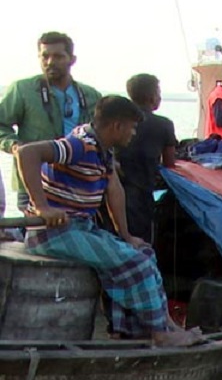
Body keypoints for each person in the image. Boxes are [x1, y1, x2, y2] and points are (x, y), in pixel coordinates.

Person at [17, 96, 199, 347]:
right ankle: (161, 333)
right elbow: (27, 152)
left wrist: (125, 235)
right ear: (117, 126)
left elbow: (115, 191)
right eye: (132, 127)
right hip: (54, 233)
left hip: (80, 228)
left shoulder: (102, 149)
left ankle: (137, 329)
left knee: (143, 252)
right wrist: (42, 207)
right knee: (136, 264)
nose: (133, 133)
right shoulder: (80, 145)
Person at [0, 31, 103, 213]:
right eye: (44, 56)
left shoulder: (91, 95)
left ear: (72, 59)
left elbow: (104, 136)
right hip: (35, 182)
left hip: (79, 184)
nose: (50, 62)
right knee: (37, 238)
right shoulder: (23, 90)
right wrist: (15, 146)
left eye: (58, 56)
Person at [120, 74, 178, 243]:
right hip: (142, 195)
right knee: (143, 242)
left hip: (115, 191)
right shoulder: (164, 124)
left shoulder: (118, 122)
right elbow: (169, 163)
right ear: (153, 97)